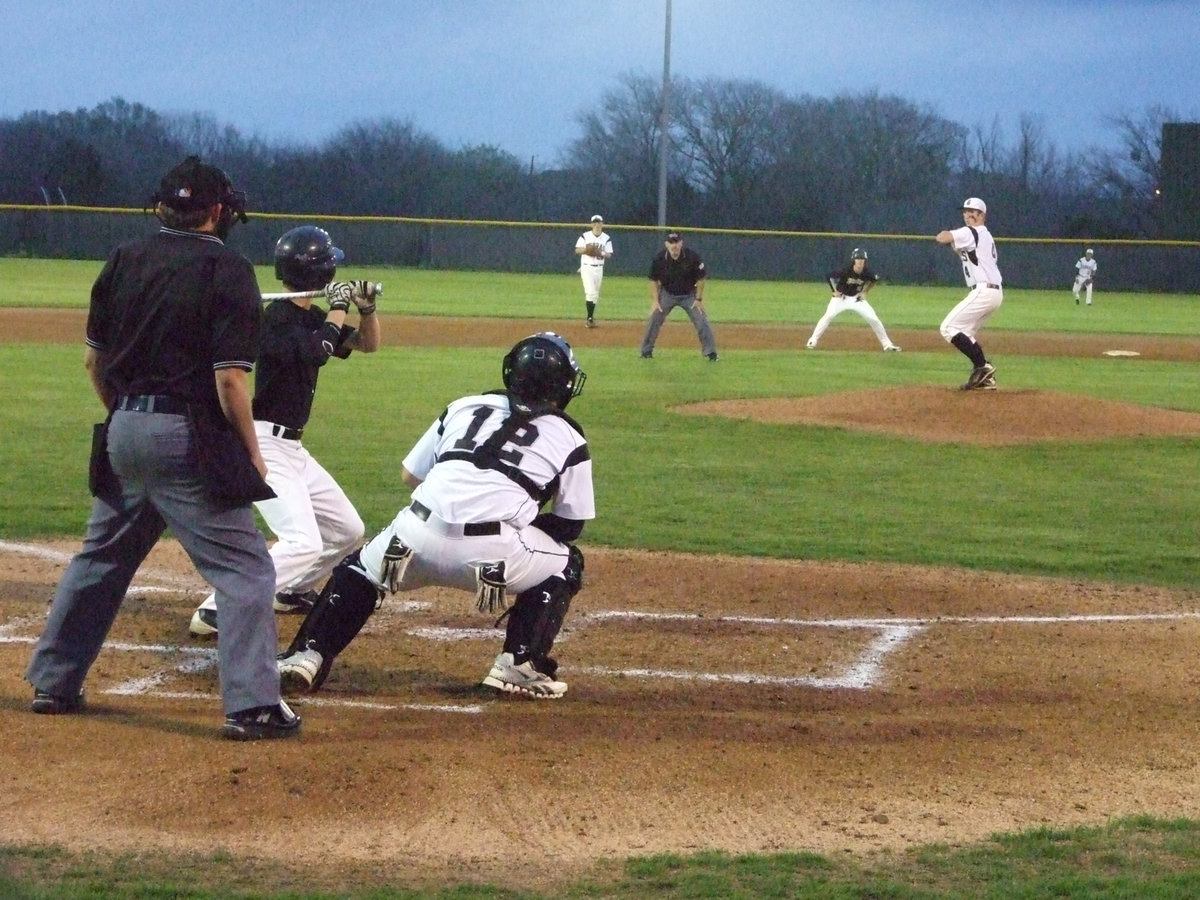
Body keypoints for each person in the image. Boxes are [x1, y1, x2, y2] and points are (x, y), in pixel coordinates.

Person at [25, 155, 300, 740]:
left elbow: (94, 362)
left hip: (123, 428)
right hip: (189, 438)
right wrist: (251, 453)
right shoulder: (228, 268)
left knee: (100, 560)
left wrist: (127, 418)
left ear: (160, 206)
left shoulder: (124, 258)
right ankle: (252, 706)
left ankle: (53, 682)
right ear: (218, 211)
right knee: (246, 569)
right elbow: (230, 380)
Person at [276, 332, 594, 699]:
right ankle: (519, 665)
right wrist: (514, 517)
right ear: (564, 385)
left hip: (414, 536)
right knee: (567, 563)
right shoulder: (570, 436)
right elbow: (570, 525)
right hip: (495, 557)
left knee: (359, 571)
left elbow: (410, 476)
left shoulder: (464, 406)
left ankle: (307, 654)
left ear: (511, 372)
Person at [188, 226, 381, 637]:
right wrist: (338, 306)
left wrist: (366, 310)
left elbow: (367, 345)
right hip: (265, 442)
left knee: (348, 531)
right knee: (302, 541)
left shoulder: (310, 317)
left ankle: (289, 589)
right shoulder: (275, 320)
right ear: (322, 271)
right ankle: (216, 608)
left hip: (293, 449)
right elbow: (318, 352)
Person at [935, 197, 1003, 391]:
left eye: (972, 211)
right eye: (965, 211)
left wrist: (949, 234)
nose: (967, 215)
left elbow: (943, 237)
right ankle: (986, 379)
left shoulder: (972, 231)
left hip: (984, 290)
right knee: (965, 333)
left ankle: (983, 366)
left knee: (948, 327)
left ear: (982, 215)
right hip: (994, 293)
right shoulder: (984, 235)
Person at [641, 231, 719, 361]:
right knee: (655, 317)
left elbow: (701, 279)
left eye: (676, 242)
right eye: (671, 243)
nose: (674, 246)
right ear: (666, 244)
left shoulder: (692, 257)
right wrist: (655, 301)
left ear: (681, 243)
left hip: (689, 295)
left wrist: (699, 299)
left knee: (701, 320)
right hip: (667, 294)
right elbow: (653, 280)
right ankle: (646, 351)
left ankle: (711, 353)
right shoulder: (659, 259)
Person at [805, 248, 901, 351]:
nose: (860, 261)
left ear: (865, 260)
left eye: (862, 259)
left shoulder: (867, 272)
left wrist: (865, 292)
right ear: (854, 260)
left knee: (874, 319)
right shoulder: (845, 270)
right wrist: (834, 291)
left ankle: (887, 344)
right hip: (841, 298)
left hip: (857, 299)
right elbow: (829, 276)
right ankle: (812, 340)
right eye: (858, 258)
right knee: (828, 316)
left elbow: (874, 280)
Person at [574, 214, 612, 327]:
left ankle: (590, 318)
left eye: (598, 222)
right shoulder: (585, 236)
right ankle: (589, 319)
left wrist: (600, 252)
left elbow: (609, 254)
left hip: (599, 268)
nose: (597, 224)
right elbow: (577, 250)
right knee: (590, 292)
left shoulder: (606, 238)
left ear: (602, 224)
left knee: (595, 294)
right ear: (591, 224)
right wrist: (587, 250)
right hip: (587, 267)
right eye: (595, 222)